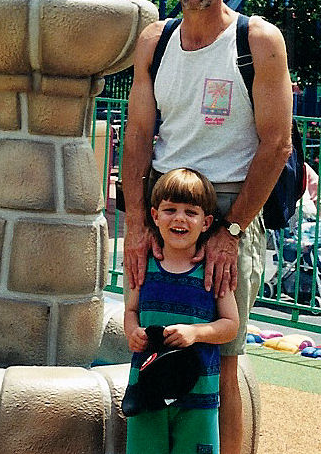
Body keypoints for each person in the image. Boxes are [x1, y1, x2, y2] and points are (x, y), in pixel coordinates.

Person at [122, 0, 293, 454]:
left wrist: (232, 229)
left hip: (227, 205)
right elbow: (138, 134)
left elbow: (277, 143)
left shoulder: (258, 41)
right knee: (150, 336)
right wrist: (133, 221)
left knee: (222, 355)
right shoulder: (155, 41)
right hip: (163, 205)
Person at [124, 168, 239, 454]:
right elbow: (131, 310)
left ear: (206, 222)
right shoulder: (145, 266)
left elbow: (231, 325)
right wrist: (132, 332)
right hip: (148, 393)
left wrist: (195, 333)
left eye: (191, 212)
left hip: (198, 399)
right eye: (170, 209)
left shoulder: (213, 272)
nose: (179, 218)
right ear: (154, 216)